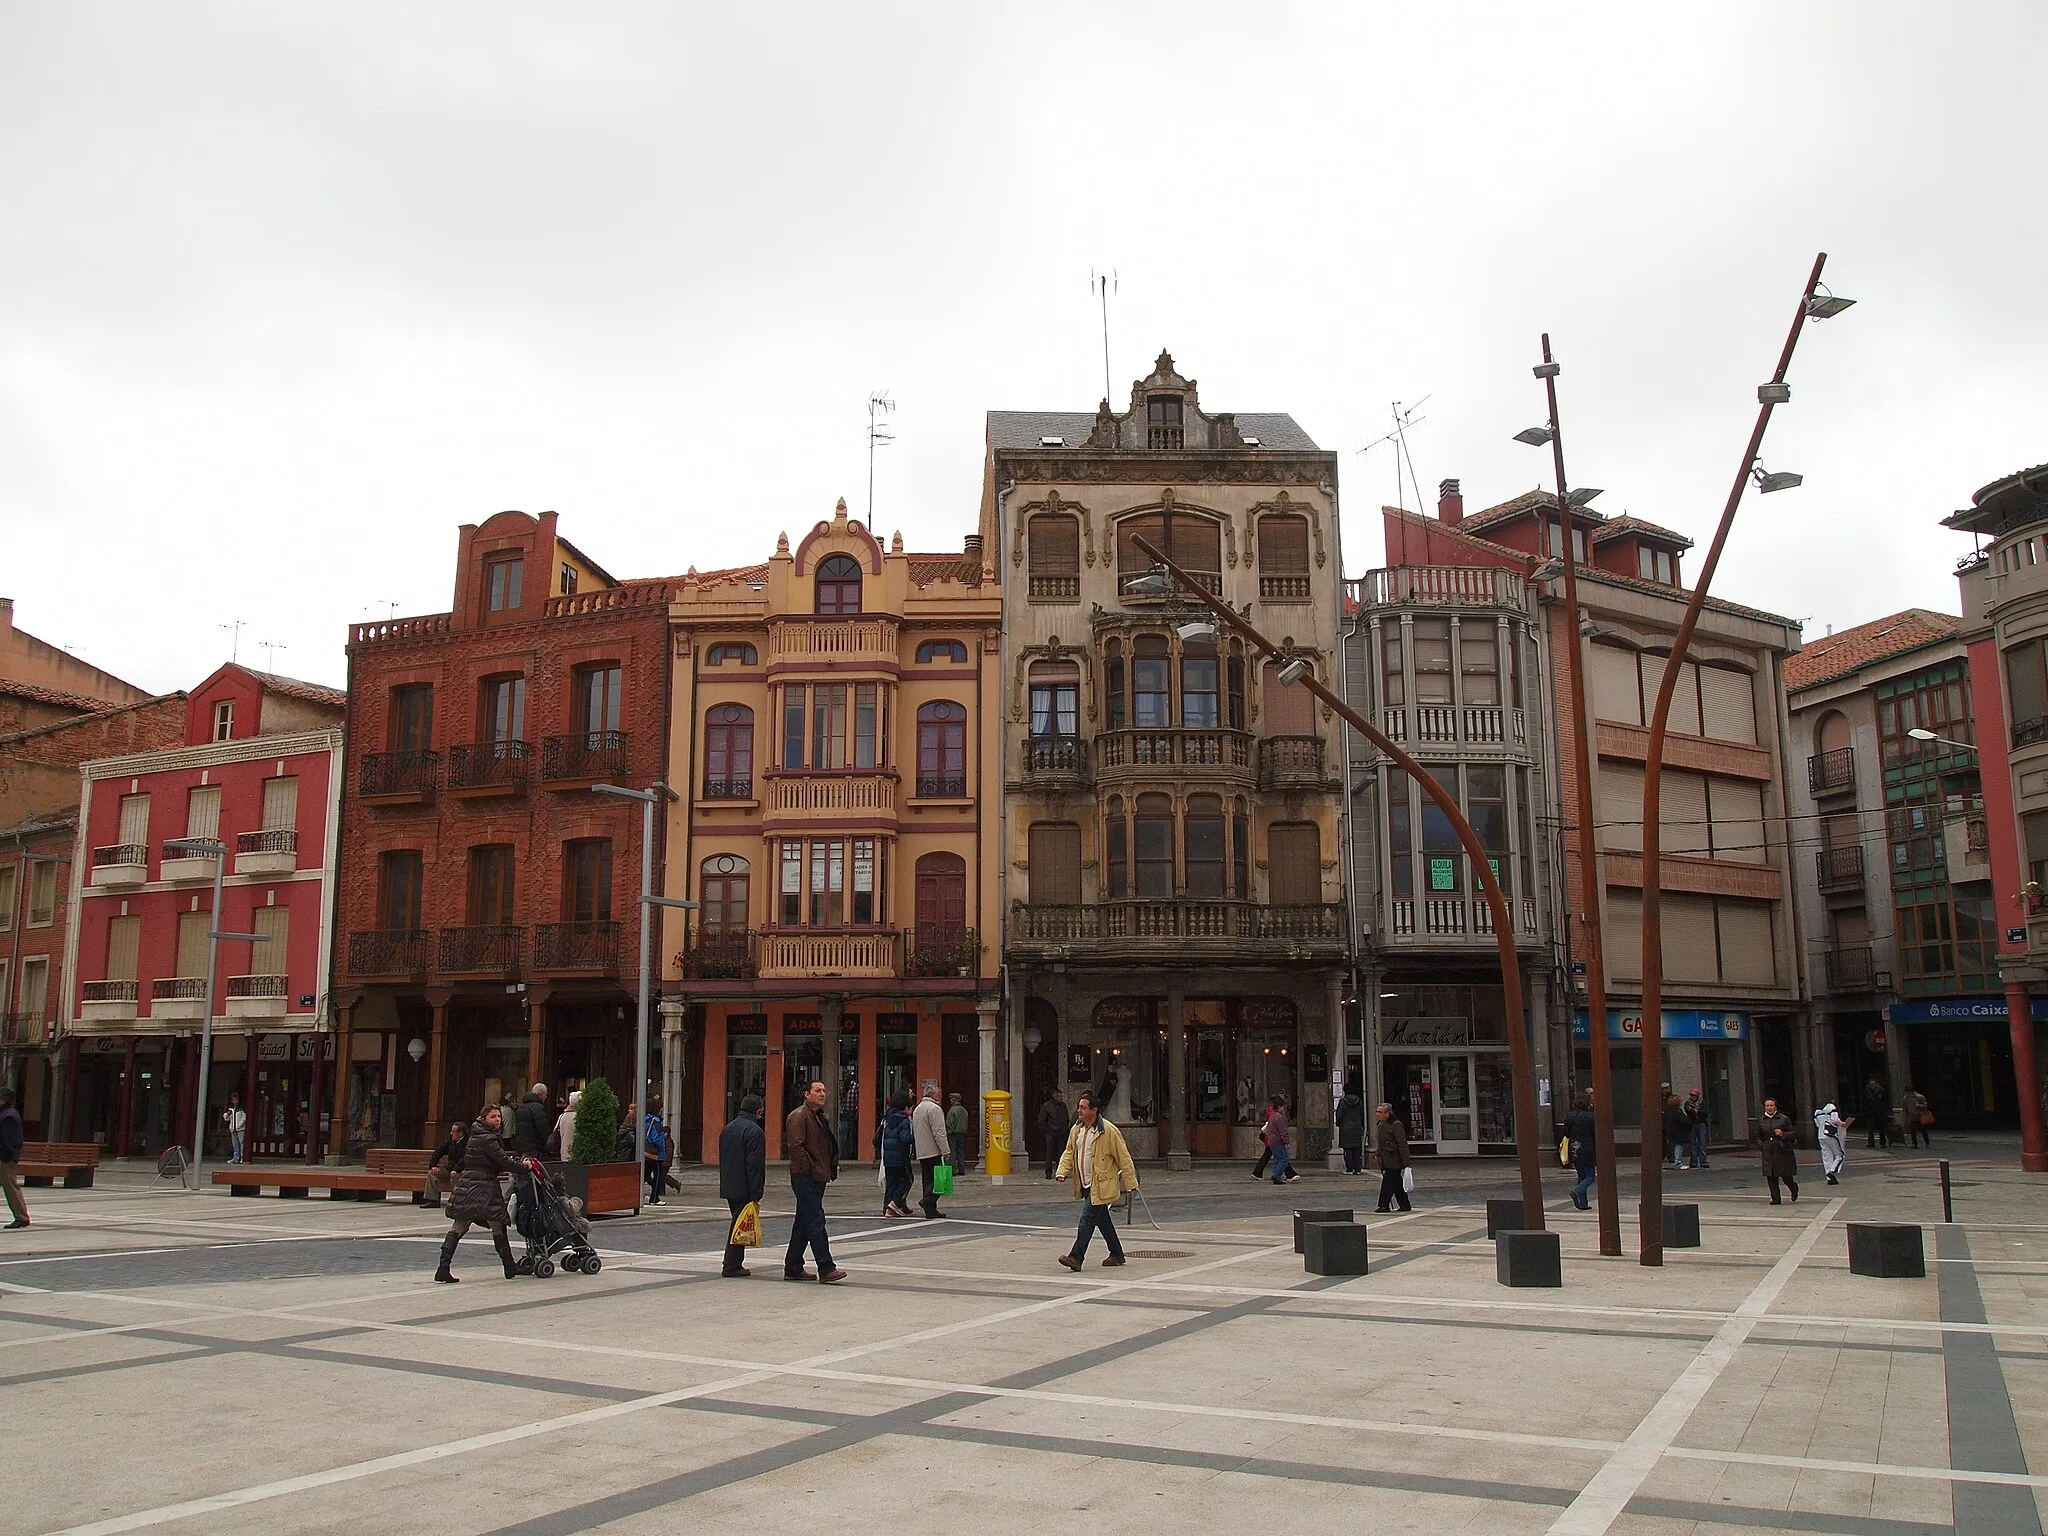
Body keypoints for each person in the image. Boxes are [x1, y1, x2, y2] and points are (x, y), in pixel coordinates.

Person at [434, 1103, 521, 1283]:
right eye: (492, 1117)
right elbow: (502, 1160)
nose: (497, 1119)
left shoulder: (477, 1135)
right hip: (484, 1186)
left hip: (469, 1184)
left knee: (460, 1224)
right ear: (483, 1119)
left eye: (498, 1116)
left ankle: (443, 1267)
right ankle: (509, 1266)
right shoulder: (487, 1137)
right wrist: (523, 1167)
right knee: (497, 1223)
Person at [1054, 1089, 1138, 1270]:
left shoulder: (1108, 1130)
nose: (1079, 1111)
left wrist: (1131, 1183)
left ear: (1094, 1110)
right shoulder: (1076, 1130)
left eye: (1083, 1108)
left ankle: (1076, 1257)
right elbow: (1069, 1152)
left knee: (1087, 1219)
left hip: (1101, 1185)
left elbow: (1124, 1157)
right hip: (1085, 1183)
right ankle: (1117, 1253)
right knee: (1102, 1220)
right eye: (1079, 1107)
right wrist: (1062, 1171)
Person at [784, 1079, 845, 1283]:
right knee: (816, 1220)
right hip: (806, 1176)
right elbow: (796, 1146)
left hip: (817, 1174)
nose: (822, 1094)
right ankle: (826, 1267)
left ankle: (793, 1266)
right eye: (817, 1090)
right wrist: (809, 1168)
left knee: (803, 1220)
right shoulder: (798, 1116)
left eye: (824, 1091)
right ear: (806, 1094)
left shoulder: (818, 1117)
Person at [718, 1094, 766, 1278]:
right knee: (739, 1225)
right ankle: (731, 1264)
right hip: (744, 1185)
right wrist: (757, 1191)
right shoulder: (754, 1131)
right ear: (758, 1110)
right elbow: (754, 1165)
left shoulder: (728, 1128)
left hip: (730, 1183)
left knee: (738, 1223)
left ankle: (733, 1262)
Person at [911, 1081, 950, 1219]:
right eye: (938, 1093)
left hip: (922, 1150)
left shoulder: (918, 1109)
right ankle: (927, 1201)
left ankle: (931, 1209)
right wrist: (945, 1150)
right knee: (939, 1181)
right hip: (933, 1150)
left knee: (927, 1179)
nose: (939, 1095)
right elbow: (939, 1132)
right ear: (934, 1094)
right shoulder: (934, 1109)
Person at [877, 1090, 915, 1217]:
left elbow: (877, 1138)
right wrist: (914, 1138)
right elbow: (905, 1139)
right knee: (907, 1180)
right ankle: (895, 1203)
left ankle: (887, 1206)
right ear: (906, 1108)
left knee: (892, 1182)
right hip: (901, 1157)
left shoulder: (887, 1118)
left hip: (888, 1157)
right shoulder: (904, 1120)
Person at [1758, 1096, 1800, 1205]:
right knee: (1771, 1175)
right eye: (1767, 1106)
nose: (1769, 1108)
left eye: (1771, 1105)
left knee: (1786, 1176)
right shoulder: (1761, 1120)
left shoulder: (1784, 1119)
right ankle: (1775, 1198)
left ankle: (1793, 1188)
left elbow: (1793, 1133)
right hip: (1768, 1150)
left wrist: (1782, 1134)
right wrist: (1761, 1146)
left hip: (1781, 1150)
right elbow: (1758, 1135)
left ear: (1775, 1107)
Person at [1372, 1102, 1411, 1213]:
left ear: (1387, 1113)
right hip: (1387, 1158)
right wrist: (1377, 1153)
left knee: (1388, 1183)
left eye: (1380, 1112)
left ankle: (1384, 1205)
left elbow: (1402, 1143)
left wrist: (1406, 1162)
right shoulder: (1381, 1124)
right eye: (1377, 1111)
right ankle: (1405, 1204)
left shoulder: (1396, 1125)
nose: (1377, 1114)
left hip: (1395, 1159)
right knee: (1397, 1183)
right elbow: (1382, 1143)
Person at [0, 1086, 28, 1230]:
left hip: (4, 1159)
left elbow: (9, 1140)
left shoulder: (9, 1116)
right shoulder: (5, 1113)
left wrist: (7, 1157)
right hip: (4, 1157)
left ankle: (21, 1216)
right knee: (10, 1187)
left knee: (10, 1187)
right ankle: (20, 1215)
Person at [1563, 1091, 1597, 1210]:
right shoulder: (1591, 1116)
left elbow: (1566, 1133)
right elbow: (1595, 1133)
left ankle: (1583, 1203)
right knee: (1590, 1176)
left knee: (1581, 1175)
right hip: (1588, 1148)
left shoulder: (1569, 1116)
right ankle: (1577, 1191)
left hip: (1574, 1147)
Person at [424, 1120, 467, 1209]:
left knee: (455, 1175)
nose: (451, 1133)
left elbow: (465, 1159)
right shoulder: (451, 1142)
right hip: (449, 1169)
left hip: (462, 1171)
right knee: (432, 1174)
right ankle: (433, 1200)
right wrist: (433, 1165)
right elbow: (438, 1151)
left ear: (461, 1133)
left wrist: (456, 1169)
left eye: (454, 1132)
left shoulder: (468, 1143)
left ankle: (456, 1201)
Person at [512, 1081, 553, 1158]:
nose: (546, 1096)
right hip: (533, 1144)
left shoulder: (522, 1107)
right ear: (542, 1094)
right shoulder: (538, 1108)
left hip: (521, 1143)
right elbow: (543, 1127)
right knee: (531, 1165)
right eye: (546, 1094)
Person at [1262, 1096, 1298, 1184]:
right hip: (1278, 1141)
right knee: (1284, 1158)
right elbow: (1283, 1131)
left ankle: (1276, 1175)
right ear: (1279, 1107)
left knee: (1277, 1159)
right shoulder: (1279, 1117)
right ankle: (1277, 1175)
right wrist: (1286, 1142)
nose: (1283, 1109)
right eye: (1282, 1107)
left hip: (1272, 1141)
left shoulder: (1272, 1116)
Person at [1336, 1080, 1367, 1175]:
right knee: (1357, 1148)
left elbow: (1339, 1114)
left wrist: (1338, 1123)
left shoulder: (1343, 1102)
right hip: (1357, 1127)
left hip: (1346, 1128)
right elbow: (1362, 1115)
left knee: (1347, 1149)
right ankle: (1357, 1169)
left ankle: (1349, 1168)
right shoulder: (1359, 1102)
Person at [1814, 1101, 1848, 1186]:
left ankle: (1829, 1178)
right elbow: (1835, 1119)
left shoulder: (1817, 1112)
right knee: (1839, 1154)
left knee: (1826, 1157)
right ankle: (1832, 1171)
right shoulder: (1832, 1108)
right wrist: (1841, 1123)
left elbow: (1817, 1124)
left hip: (1820, 1135)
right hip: (1830, 1134)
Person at [1038, 1089, 1070, 1180]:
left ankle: (1060, 1172)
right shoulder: (1046, 1106)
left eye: (1061, 1096)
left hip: (1061, 1133)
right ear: (1054, 1097)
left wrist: (1065, 1129)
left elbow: (1066, 1118)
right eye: (1059, 1097)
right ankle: (1048, 1172)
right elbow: (1041, 1121)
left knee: (1061, 1153)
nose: (1061, 1098)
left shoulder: (1063, 1106)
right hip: (1051, 1133)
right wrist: (1048, 1131)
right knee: (1049, 1153)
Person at [642, 1102, 669, 1206]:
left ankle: (644, 1195)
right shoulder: (656, 1122)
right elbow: (657, 1138)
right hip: (655, 1154)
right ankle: (654, 1198)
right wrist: (662, 1150)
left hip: (645, 1152)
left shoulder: (644, 1120)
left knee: (646, 1175)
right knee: (658, 1176)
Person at [1861, 1073, 1891, 1150]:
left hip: (1880, 1113)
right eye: (1871, 1084)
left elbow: (1886, 1102)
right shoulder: (1866, 1092)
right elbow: (1864, 1103)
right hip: (1870, 1113)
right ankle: (1871, 1142)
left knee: (1881, 1129)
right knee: (1870, 1129)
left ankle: (1882, 1142)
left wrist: (1886, 1111)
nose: (1872, 1085)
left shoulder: (1881, 1091)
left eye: (1874, 1084)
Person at [1684, 1089, 1711, 1171]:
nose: (1692, 1097)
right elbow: (1687, 1112)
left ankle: (1703, 1161)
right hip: (1692, 1124)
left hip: (1701, 1123)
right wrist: (1692, 1111)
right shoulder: (1687, 1103)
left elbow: (1705, 1113)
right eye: (1691, 1095)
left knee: (1702, 1143)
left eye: (1694, 1095)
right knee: (1693, 1144)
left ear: (1697, 1096)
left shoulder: (1702, 1103)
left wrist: (1697, 1111)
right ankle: (1693, 1162)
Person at [1250, 1097, 1276, 1180]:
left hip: (1270, 1137)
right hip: (1272, 1138)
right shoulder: (1273, 1111)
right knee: (1281, 1156)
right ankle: (1289, 1174)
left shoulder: (1270, 1110)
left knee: (1268, 1155)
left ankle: (1257, 1172)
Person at [553, 1091, 582, 1163]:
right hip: (577, 1152)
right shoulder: (579, 1117)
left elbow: (555, 1132)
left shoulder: (562, 1116)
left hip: (564, 1152)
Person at [945, 1092, 970, 1174]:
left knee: (952, 1152)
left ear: (954, 1100)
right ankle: (962, 1169)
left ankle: (952, 1170)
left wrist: (949, 1131)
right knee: (960, 1152)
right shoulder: (964, 1110)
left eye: (951, 1099)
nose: (950, 1100)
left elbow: (949, 1123)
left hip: (953, 1134)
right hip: (962, 1134)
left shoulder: (952, 1110)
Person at [1664, 1093, 1689, 1171]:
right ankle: (1678, 1163)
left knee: (1676, 1146)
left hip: (1672, 1131)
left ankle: (1677, 1162)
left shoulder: (1669, 1111)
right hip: (1679, 1132)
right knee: (1679, 1147)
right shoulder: (1678, 1112)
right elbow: (1685, 1121)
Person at [1903, 1084, 1932, 1149]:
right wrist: (1905, 1117)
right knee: (1913, 1131)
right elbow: (1905, 1108)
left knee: (1923, 1130)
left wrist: (1918, 1105)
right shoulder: (1905, 1098)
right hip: (1912, 1116)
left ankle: (1927, 1142)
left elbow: (1925, 1105)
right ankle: (1914, 1143)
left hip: (1920, 1116)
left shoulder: (1919, 1097)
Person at [222, 1092, 248, 1164]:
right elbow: (226, 1118)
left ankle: (242, 1158)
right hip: (233, 1128)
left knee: (241, 1143)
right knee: (235, 1144)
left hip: (240, 1129)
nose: (235, 1102)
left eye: (236, 1100)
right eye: (233, 1100)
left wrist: (239, 1125)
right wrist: (227, 1114)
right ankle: (236, 1158)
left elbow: (244, 1117)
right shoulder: (230, 1109)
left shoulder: (241, 1108)